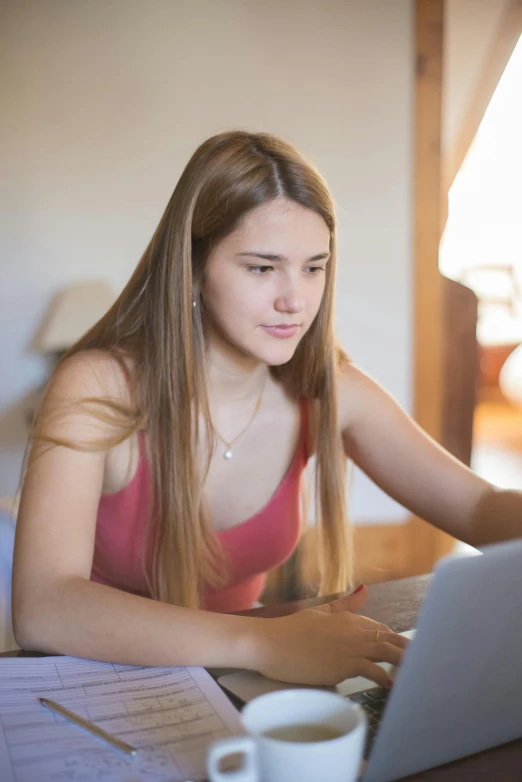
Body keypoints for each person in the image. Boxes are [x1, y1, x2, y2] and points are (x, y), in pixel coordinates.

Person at [12, 131, 522, 688]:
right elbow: (43, 606)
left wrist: (258, 650)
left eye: (313, 267)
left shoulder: (330, 391)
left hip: (239, 679)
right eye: (262, 268)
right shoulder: (95, 387)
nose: (295, 300)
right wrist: (263, 640)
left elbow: (479, 508)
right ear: (193, 267)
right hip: (94, 681)